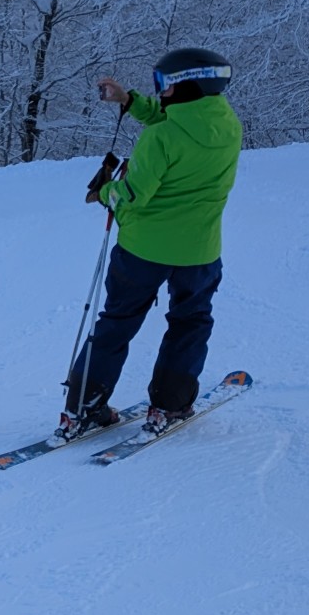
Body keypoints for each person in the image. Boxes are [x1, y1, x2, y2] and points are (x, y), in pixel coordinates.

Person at [62, 47, 242, 437]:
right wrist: (129, 101)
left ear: (183, 86)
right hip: (200, 252)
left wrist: (106, 190)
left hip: (143, 251)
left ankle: (83, 409)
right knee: (190, 323)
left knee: (117, 323)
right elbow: (180, 122)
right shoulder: (227, 124)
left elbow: (132, 194)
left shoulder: (159, 138)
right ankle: (170, 405)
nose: (158, 91)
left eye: (162, 84)